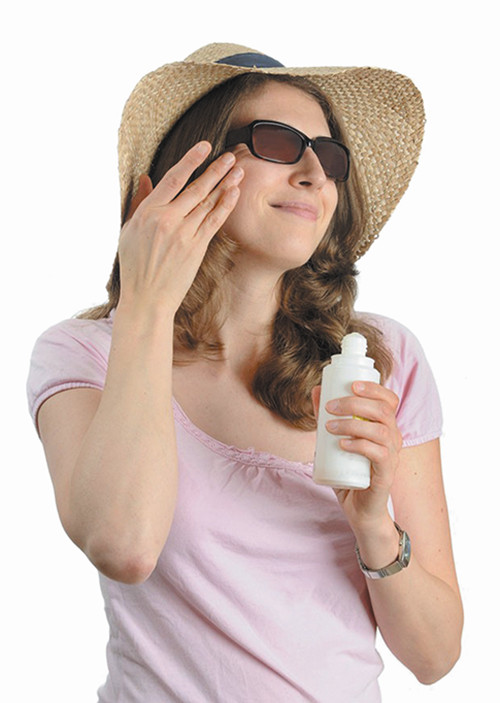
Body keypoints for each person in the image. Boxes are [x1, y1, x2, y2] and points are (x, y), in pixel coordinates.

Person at [27, 43, 463, 702]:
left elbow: (435, 657)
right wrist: (148, 300)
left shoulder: (382, 357)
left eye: (330, 156)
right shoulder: (85, 353)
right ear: (179, 175)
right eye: (277, 142)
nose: (315, 172)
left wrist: (375, 525)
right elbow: (124, 546)